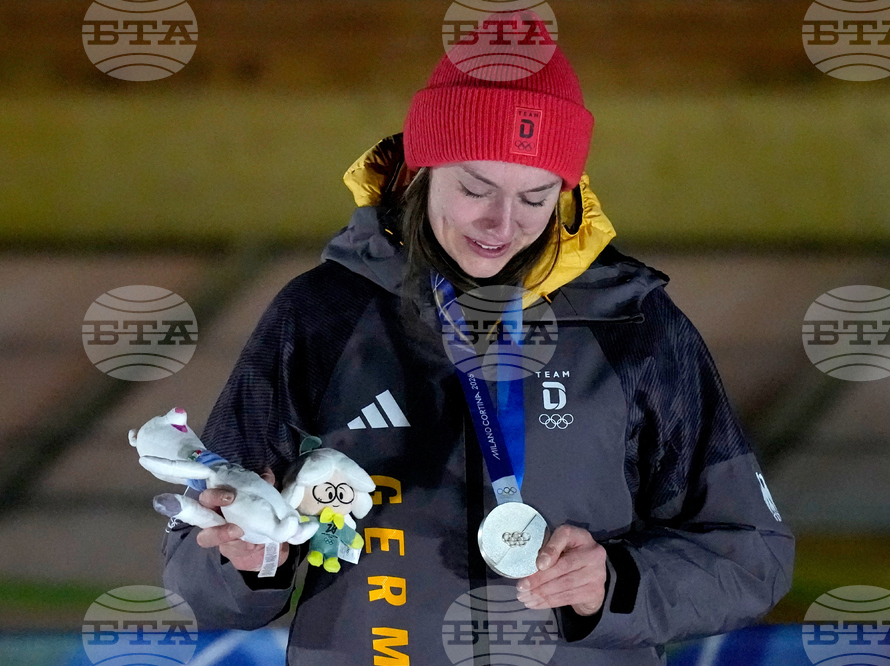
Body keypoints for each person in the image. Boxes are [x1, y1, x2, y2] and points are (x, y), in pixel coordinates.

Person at [161, 14, 794, 666]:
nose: (501, 224)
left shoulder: (632, 325)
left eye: (536, 198)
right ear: (419, 169)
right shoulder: (322, 316)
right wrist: (247, 554)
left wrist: (615, 582)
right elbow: (194, 576)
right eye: (475, 188)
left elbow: (753, 557)